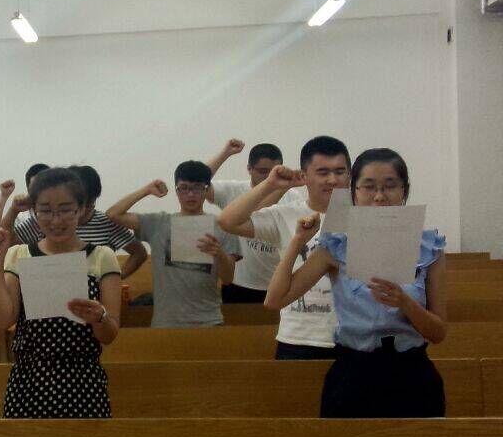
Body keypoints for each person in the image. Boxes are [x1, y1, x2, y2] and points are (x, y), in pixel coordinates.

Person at [264, 148, 446, 417]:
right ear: (353, 192)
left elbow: (438, 333)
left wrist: (405, 303)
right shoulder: (335, 247)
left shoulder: (429, 248)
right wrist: (298, 241)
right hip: (353, 375)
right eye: (369, 187)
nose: (379, 196)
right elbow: (275, 300)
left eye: (390, 186)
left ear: (404, 190)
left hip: (413, 375)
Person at [0, 167, 121, 418]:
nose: (56, 220)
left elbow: (109, 335)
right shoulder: (19, 254)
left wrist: (99, 318)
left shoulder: (102, 257)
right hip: (28, 382)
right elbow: (3, 320)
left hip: (83, 383)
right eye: (46, 211)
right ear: (34, 211)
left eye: (65, 210)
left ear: (81, 209)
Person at [218, 135, 351, 359]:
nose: (332, 180)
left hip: (354, 339)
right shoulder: (287, 214)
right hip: (298, 338)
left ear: (349, 175)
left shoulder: (363, 218)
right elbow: (227, 221)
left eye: (340, 172)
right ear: (304, 176)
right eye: (322, 172)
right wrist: (270, 185)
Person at [106, 161, 238, 327]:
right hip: (166, 323)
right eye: (184, 188)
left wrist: (219, 253)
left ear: (206, 190)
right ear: (176, 190)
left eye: (197, 188)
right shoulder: (158, 223)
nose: (190, 194)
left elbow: (228, 278)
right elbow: (113, 214)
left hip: (209, 321)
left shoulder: (222, 226)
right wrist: (146, 190)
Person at [2, 165, 149, 279]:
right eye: (65, 208)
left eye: (90, 204)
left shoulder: (106, 226)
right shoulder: (45, 221)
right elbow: (5, 240)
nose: (57, 222)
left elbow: (139, 253)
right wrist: (13, 210)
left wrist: (113, 278)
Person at [205, 139, 298, 303]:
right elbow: (198, 181)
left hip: (275, 285)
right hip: (237, 284)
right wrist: (225, 153)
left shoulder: (292, 197)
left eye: (274, 171)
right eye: (263, 171)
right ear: (249, 169)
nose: (269, 177)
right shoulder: (233, 190)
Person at [0, 163, 50, 235]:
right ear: (29, 191)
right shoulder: (26, 219)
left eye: (46, 186)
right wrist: (3, 196)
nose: (42, 192)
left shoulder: (59, 215)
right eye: (36, 188)